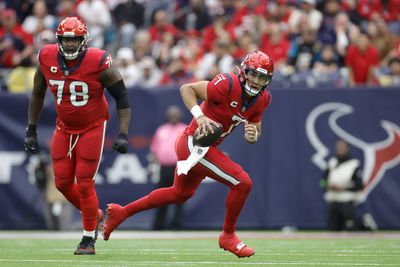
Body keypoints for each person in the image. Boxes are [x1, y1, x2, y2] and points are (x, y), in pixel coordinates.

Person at [103, 50, 274, 258]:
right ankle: (228, 235)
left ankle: (122, 212)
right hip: (193, 141)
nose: (256, 81)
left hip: (204, 146)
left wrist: (252, 135)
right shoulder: (227, 84)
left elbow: (256, 129)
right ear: (244, 72)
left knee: (179, 193)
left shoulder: (262, 99)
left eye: (262, 77)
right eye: (254, 75)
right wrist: (200, 117)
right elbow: (187, 88)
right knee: (242, 182)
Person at [24, 17, 131, 255]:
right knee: (62, 182)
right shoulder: (46, 57)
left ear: (84, 41)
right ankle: (95, 215)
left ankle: (87, 238)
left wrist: (123, 134)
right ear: (59, 40)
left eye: (75, 40)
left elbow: (122, 97)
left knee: (84, 184)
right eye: (66, 40)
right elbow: (37, 94)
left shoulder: (99, 60)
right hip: (64, 126)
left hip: (93, 125)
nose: (70, 45)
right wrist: (31, 129)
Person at [149, 105, 187, 230]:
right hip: (164, 168)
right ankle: (158, 224)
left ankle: (177, 223)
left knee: (180, 196)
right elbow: (155, 150)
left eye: (176, 114)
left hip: (180, 166)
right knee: (161, 196)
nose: (173, 116)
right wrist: (152, 167)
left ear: (180, 116)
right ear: (168, 116)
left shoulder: (185, 129)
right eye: (171, 114)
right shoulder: (161, 130)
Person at [320, 140, 364, 231]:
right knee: (332, 230)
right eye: (338, 147)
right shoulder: (331, 162)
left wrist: (343, 188)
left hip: (347, 202)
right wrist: (327, 186)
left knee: (352, 229)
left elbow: (359, 185)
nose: (340, 150)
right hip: (333, 202)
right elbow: (322, 181)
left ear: (347, 149)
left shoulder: (354, 164)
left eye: (342, 147)